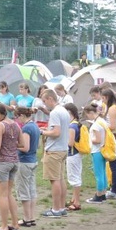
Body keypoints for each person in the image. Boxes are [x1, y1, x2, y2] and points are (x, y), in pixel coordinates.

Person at [40, 89, 70, 218]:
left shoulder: (55, 113)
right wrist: (48, 130)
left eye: (45, 100)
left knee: (55, 180)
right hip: (63, 148)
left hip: (54, 150)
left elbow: (56, 132)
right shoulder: (64, 111)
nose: (44, 103)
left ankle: (56, 209)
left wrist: (42, 132)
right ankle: (62, 207)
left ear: (50, 99)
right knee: (61, 179)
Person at [15, 107, 40, 226]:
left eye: (17, 117)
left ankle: (26, 218)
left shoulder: (26, 128)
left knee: (24, 191)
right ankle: (31, 217)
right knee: (31, 190)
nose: (17, 119)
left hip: (25, 161)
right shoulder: (35, 126)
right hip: (33, 160)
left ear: (21, 115)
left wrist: (12, 145)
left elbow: (25, 147)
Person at [84, 104, 109, 204]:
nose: (87, 117)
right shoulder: (102, 121)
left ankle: (98, 195)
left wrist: (89, 139)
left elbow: (97, 140)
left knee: (98, 174)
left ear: (91, 113)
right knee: (103, 172)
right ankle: (103, 193)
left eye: (87, 115)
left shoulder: (96, 125)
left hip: (97, 150)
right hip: (103, 149)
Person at [64, 103, 83, 211]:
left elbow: (70, 143)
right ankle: (74, 199)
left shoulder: (72, 126)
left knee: (74, 178)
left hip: (72, 154)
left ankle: (76, 202)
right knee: (76, 176)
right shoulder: (77, 124)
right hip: (77, 154)